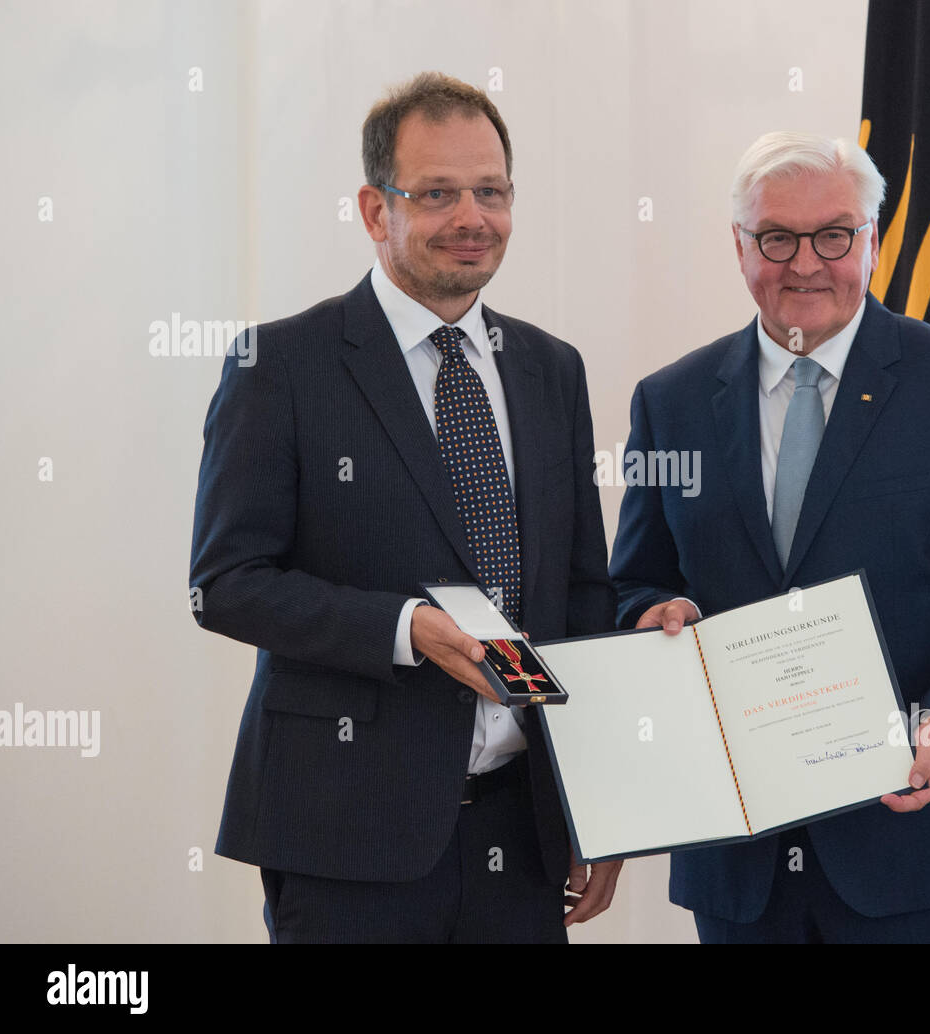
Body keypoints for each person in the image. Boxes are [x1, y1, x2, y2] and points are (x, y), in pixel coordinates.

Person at [190, 72, 621, 943]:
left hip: (523, 837)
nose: (472, 217)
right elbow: (227, 584)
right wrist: (404, 629)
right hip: (346, 836)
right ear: (374, 208)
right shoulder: (280, 366)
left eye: (491, 191)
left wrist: (604, 810)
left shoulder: (552, 369)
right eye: (437, 193)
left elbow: (582, 597)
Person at [610, 131, 930, 943]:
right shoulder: (670, 402)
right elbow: (634, 582)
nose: (806, 264)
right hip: (741, 867)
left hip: (921, 853)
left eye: (833, 236)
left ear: (873, 240)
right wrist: (654, 614)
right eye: (776, 239)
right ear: (739, 247)